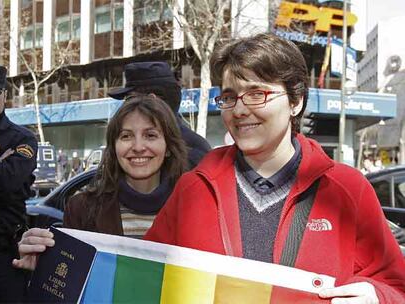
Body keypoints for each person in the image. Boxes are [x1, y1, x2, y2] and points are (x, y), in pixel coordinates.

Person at [143, 34, 405, 302]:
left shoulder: (347, 189)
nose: (240, 110)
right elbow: (143, 275)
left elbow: (395, 286)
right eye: (229, 97)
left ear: (296, 101)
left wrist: (377, 296)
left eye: (257, 94)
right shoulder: (194, 188)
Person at [13, 95, 187, 270]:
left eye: (150, 135)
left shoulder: (192, 208)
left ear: (169, 148)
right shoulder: (83, 209)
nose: (138, 147)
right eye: (126, 136)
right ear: (114, 147)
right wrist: (45, 267)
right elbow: (70, 283)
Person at [108, 61, 211, 169]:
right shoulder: (191, 146)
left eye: (129, 99)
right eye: (126, 137)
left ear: (152, 100)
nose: (125, 106)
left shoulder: (188, 153)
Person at [0, 64, 37, 302]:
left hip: (2, 258)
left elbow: (8, 180)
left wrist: (1, 173)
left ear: (5, 95)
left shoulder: (22, 138)